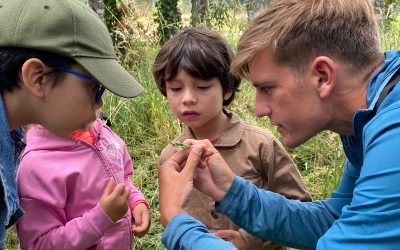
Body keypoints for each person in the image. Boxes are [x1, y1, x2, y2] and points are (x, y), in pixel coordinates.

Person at [158, 0, 400, 249]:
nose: (259, 109)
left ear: (323, 76)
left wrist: (177, 223)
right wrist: (230, 191)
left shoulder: (394, 135)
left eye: (267, 88)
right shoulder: (369, 117)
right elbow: (335, 219)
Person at [0, 0, 144, 248]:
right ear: (38, 78)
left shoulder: (11, 139)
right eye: (94, 88)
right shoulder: (36, 162)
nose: (99, 105)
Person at [153, 27, 311, 250]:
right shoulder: (171, 158)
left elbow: (301, 209)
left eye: (203, 87)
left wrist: (248, 240)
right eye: (176, 88)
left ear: (227, 89)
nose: (188, 98)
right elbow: (172, 218)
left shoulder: (260, 145)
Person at [16, 112, 150, 249]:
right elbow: (40, 244)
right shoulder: (37, 166)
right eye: (92, 91)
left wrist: (135, 201)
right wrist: (101, 219)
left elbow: (122, 179)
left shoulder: (103, 134)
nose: (100, 102)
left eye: (101, 91)